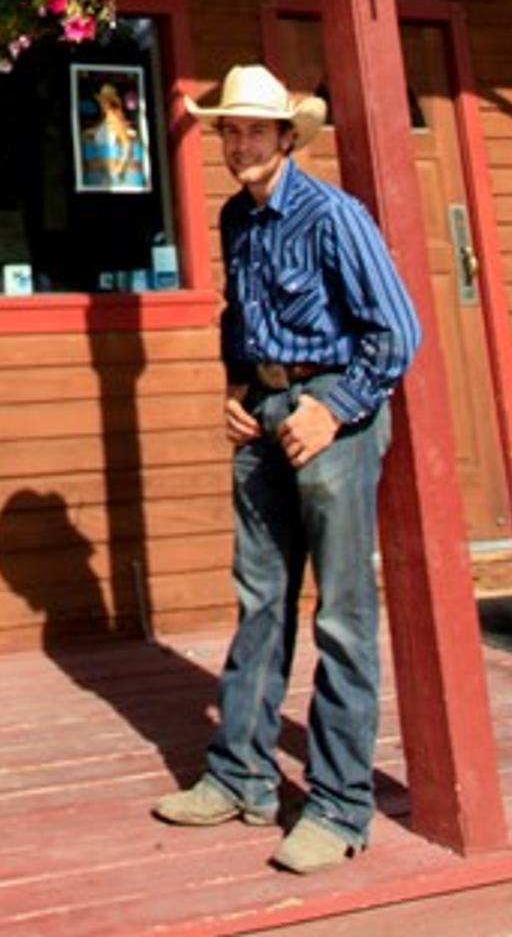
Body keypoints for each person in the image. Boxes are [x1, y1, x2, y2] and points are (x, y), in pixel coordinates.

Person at [153, 64, 422, 875]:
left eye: (253, 131)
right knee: (260, 600)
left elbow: (396, 332)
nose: (239, 144)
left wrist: (333, 410)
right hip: (264, 415)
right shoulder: (236, 217)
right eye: (229, 131)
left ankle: (339, 807)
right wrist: (237, 389)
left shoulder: (333, 215)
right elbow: (239, 314)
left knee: (341, 615)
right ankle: (239, 776)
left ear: (285, 136)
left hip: (330, 419)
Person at [79, 81, 146, 190]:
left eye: (102, 102)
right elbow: (97, 131)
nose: (101, 104)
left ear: (107, 102)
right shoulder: (106, 119)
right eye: (100, 102)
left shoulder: (114, 119)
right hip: (103, 174)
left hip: (115, 176)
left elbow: (126, 143)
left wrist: (120, 166)